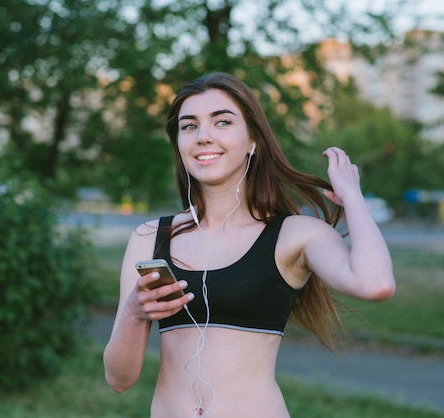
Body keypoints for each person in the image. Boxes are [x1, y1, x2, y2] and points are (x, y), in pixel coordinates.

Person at [103, 72, 395, 417]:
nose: (203, 136)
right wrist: (134, 313)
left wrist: (353, 197)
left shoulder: (294, 234)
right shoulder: (150, 238)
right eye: (189, 126)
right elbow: (119, 379)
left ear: (253, 141)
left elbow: (375, 283)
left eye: (222, 122)